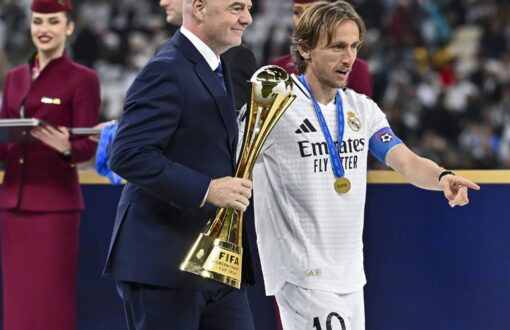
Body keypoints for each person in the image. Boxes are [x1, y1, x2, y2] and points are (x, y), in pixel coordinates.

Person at [250, 2, 480, 329]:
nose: (349, 58)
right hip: (302, 273)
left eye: (355, 46)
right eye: (338, 47)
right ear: (305, 48)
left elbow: (406, 161)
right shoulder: (277, 103)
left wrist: (443, 177)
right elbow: (233, 154)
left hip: (350, 274)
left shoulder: (362, 108)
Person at [103, 0, 256, 329]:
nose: (247, 18)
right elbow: (128, 153)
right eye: (236, 7)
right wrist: (208, 189)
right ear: (200, 8)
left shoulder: (217, 67)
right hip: (164, 263)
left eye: (248, 7)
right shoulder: (167, 67)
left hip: (212, 262)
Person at [0, 0, 101, 329]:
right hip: (12, 203)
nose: (44, 29)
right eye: (38, 21)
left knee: (51, 300)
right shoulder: (14, 77)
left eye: (53, 22)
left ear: (68, 27)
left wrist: (66, 148)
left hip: (55, 206)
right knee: (17, 300)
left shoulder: (83, 79)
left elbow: (87, 143)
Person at [270, 0, 373, 98]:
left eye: (313, 11)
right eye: (297, 12)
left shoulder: (357, 69)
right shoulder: (278, 67)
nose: (303, 20)